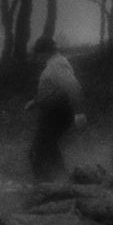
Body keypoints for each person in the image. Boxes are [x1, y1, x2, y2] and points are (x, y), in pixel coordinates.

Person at [25, 36, 87, 181]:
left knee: (37, 151)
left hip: (58, 114)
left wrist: (79, 113)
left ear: (45, 52)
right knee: (48, 147)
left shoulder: (56, 66)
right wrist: (35, 101)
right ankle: (61, 181)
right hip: (54, 113)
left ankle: (43, 186)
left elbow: (74, 88)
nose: (37, 57)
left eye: (38, 54)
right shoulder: (55, 64)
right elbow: (52, 90)